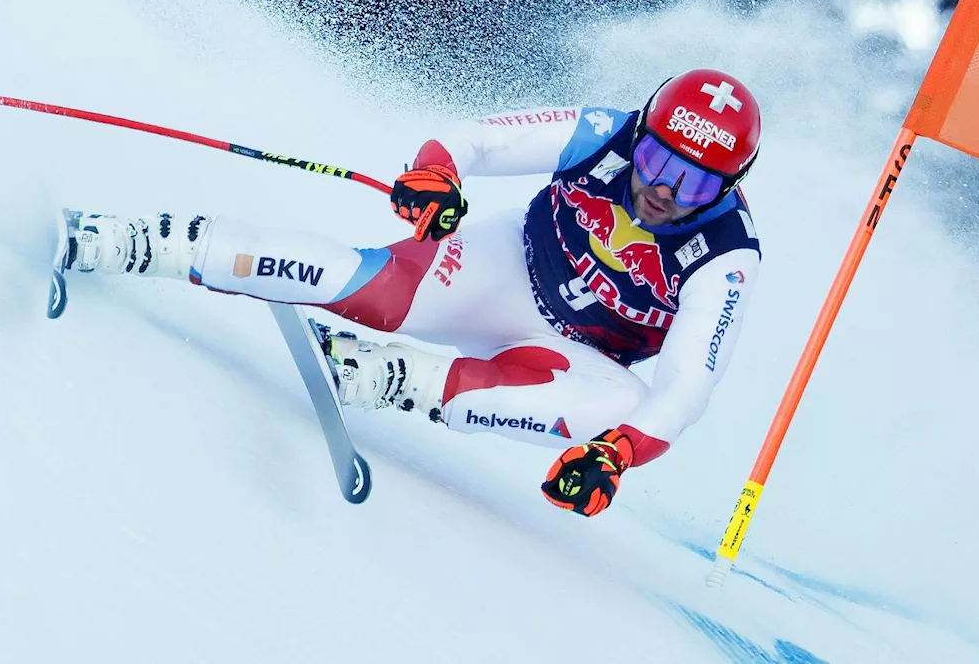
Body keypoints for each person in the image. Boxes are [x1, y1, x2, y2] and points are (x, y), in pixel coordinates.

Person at [65, 68, 763, 517]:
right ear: (639, 133)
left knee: (618, 409)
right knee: (362, 285)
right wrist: (439, 175)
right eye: (655, 159)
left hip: (564, 356)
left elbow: (687, 385)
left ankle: (386, 377)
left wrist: (620, 453)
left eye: (696, 182)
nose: (664, 189)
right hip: (504, 270)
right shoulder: (601, 133)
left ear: (727, 190)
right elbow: (477, 142)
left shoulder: (727, 254)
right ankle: (145, 240)